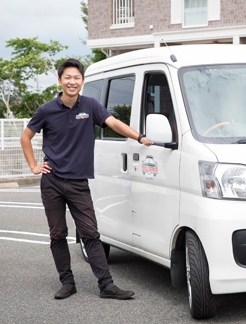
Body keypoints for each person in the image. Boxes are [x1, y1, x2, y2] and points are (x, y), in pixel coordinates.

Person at [20, 58, 153, 300]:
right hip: (52, 181)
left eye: (77, 77)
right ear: (60, 81)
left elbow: (113, 123)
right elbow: (26, 137)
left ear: (82, 81)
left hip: (79, 182)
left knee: (90, 233)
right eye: (67, 77)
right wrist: (33, 166)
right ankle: (67, 283)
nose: (72, 81)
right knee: (57, 233)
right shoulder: (46, 110)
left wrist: (139, 137)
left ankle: (107, 286)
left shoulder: (90, 106)